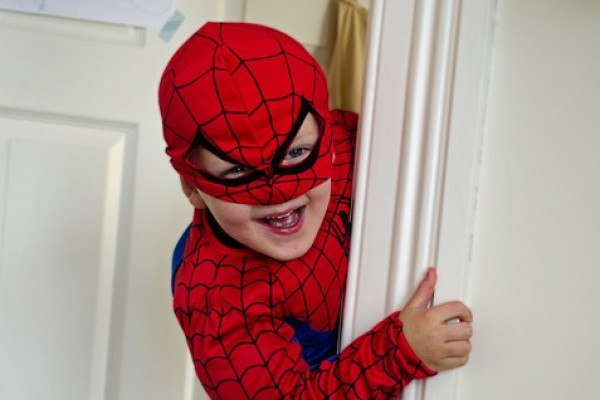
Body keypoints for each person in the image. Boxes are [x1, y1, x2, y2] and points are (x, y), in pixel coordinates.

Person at [159, 21, 472, 400]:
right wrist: (399, 352)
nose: (278, 195)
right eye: (238, 170)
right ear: (192, 187)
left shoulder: (356, 144)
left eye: (296, 153)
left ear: (330, 140)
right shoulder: (214, 298)